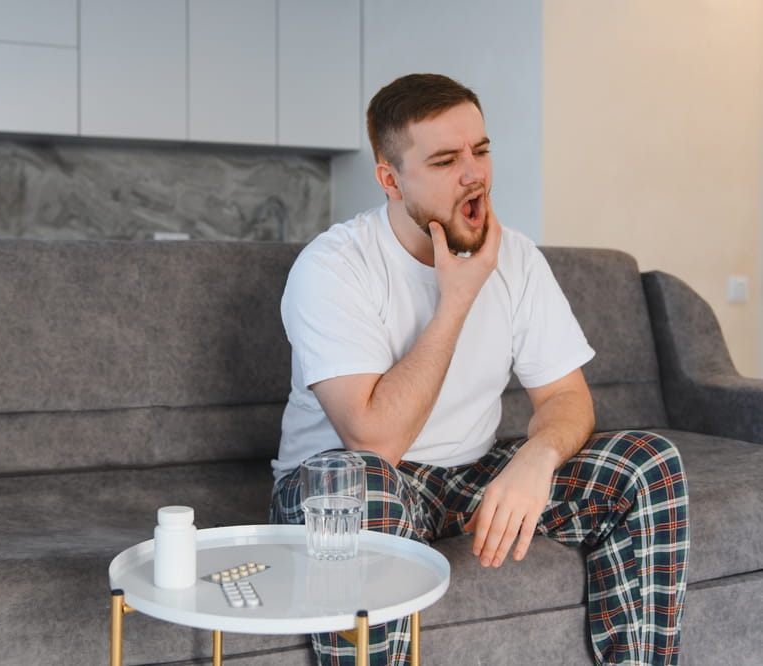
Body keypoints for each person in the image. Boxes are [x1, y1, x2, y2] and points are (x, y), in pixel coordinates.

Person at [270, 73, 689, 666]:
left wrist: (536, 458)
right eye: (446, 161)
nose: (475, 175)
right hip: (345, 487)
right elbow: (374, 441)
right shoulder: (334, 267)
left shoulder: (516, 256)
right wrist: (457, 299)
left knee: (648, 465)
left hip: (466, 476)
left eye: (481, 151)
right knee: (370, 486)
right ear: (390, 179)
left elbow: (567, 398)